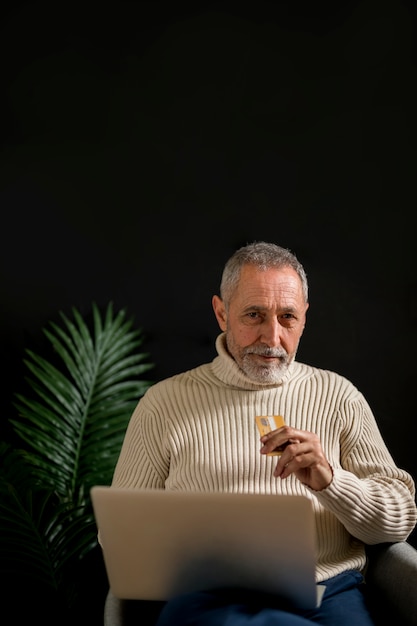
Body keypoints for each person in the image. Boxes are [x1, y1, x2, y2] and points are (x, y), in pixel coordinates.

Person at [110, 241, 417, 626]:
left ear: (305, 317)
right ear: (222, 313)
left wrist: (331, 481)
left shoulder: (339, 396)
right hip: (209, 598)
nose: (271, 338)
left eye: (287, 317)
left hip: (327, 593)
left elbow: (399, 521)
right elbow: (120, 537)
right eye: (254, 315)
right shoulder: (163, 403)